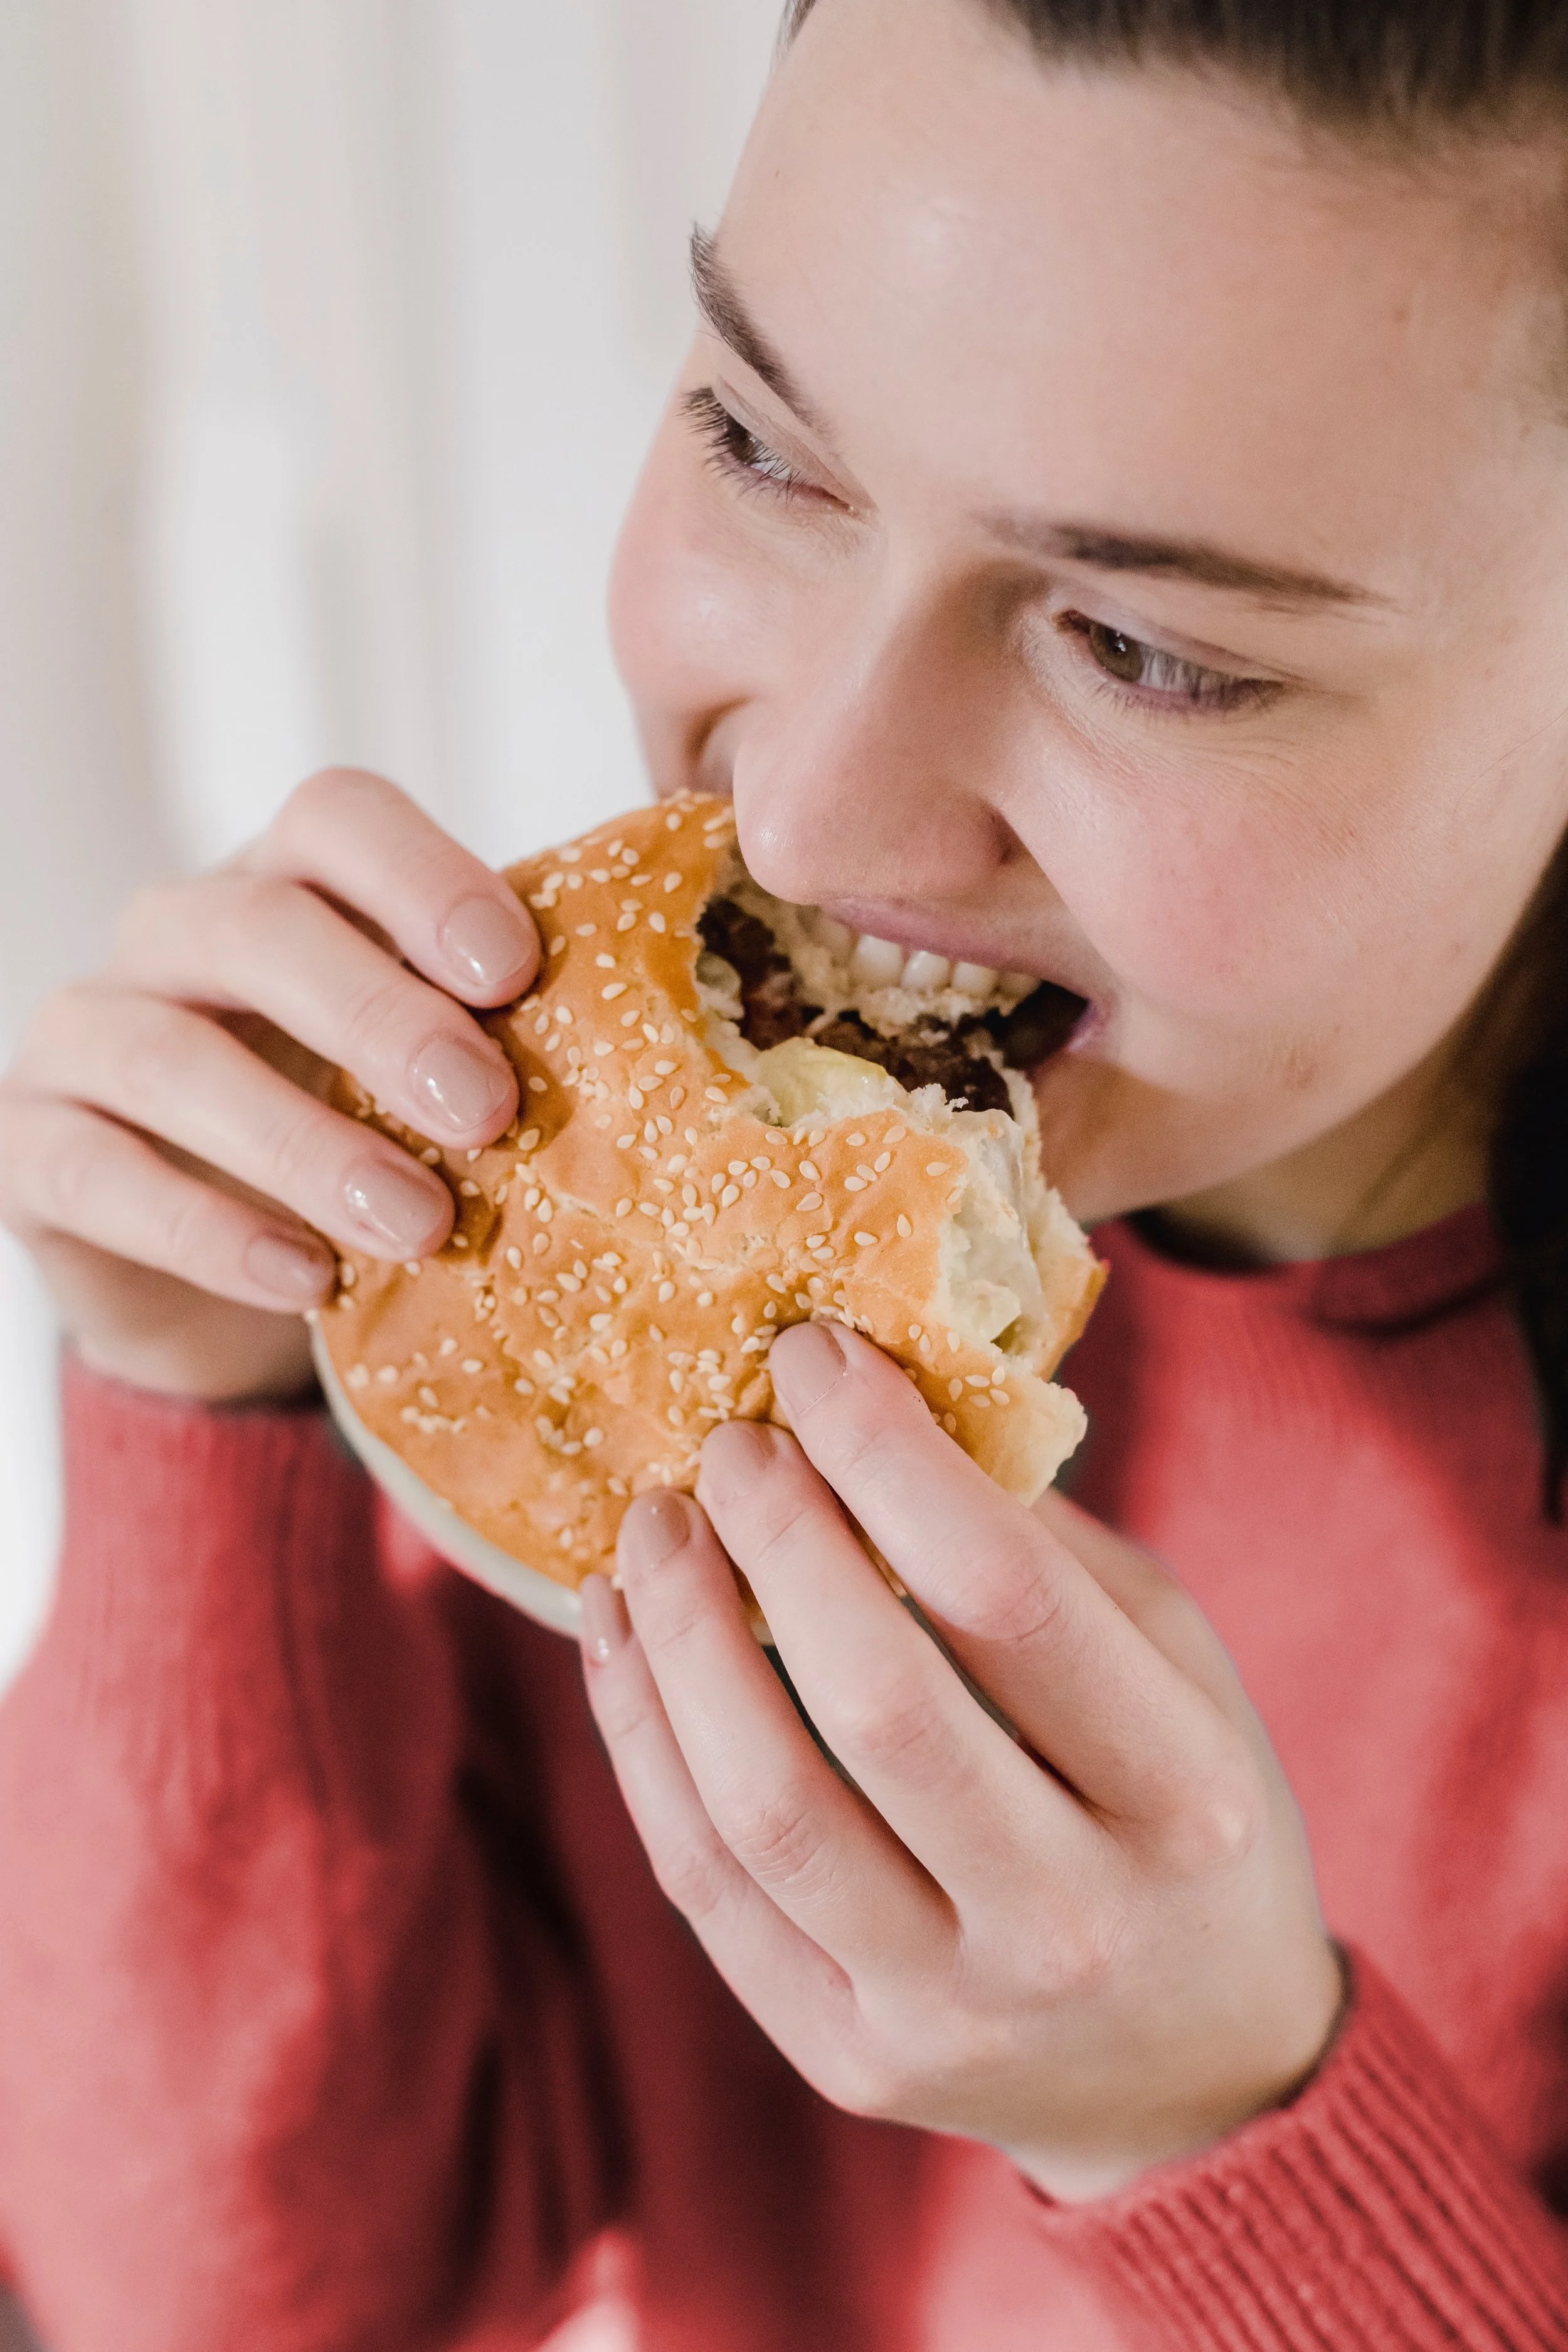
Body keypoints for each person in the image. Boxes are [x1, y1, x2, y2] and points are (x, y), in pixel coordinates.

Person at [2, 0, 1567, 2343]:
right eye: (755, 435)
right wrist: (201, 1407)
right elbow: (225, 2305)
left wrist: (1214, 2134)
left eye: (1141, 648)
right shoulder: (641, 1298)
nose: (812, 809)